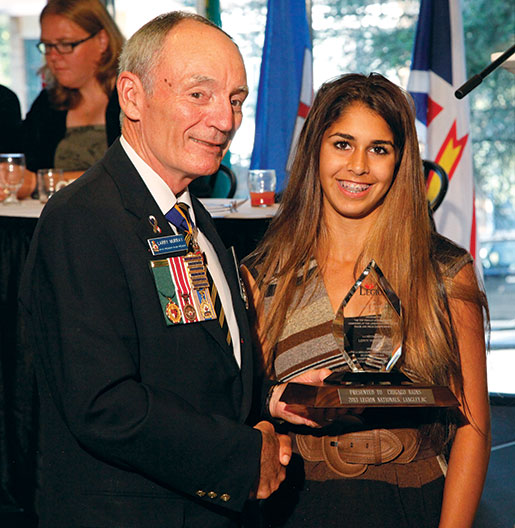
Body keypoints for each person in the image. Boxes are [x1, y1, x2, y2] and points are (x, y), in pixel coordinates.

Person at [18, 11, 316, 528]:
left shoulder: (189, 214)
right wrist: (244, 455)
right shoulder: (84, 219)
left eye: (236, 100)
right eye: (199, 95)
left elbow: (185, 360)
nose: (225, 120)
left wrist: (269, 398)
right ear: (132, 97)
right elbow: (104, 403)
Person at [242, 73, 491, 528]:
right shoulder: (265, 275)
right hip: (294, 508)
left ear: (399, 162)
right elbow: (240, 406)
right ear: (315, 148)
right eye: (342, 144)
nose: (358, 165)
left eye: (379, 149)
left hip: (411, 503)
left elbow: (473, 429)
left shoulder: (444, 271)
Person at [22, 0, 124, 181]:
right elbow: (25, 167)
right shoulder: (47, 103)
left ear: (102, 41)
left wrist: (41, 182)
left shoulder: (133, 97)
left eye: (66, 44)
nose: (53, 56)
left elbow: (133, 175)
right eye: (48, 46)